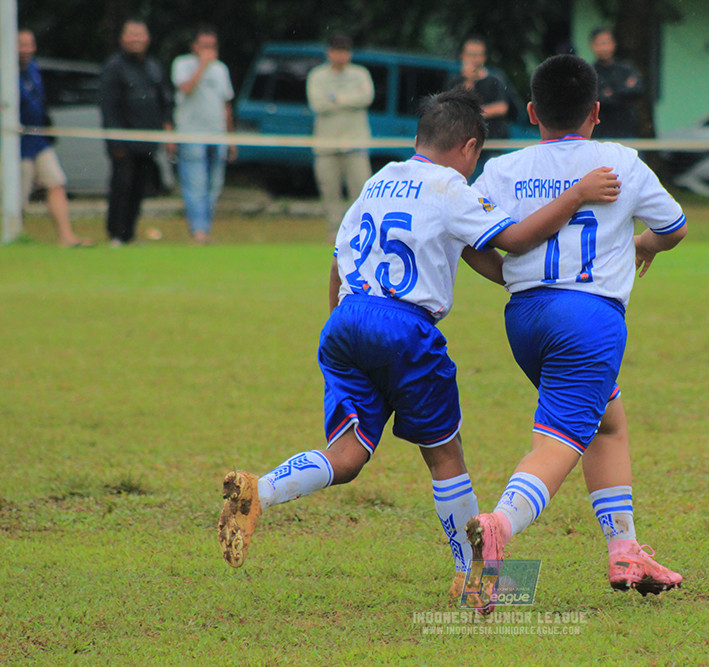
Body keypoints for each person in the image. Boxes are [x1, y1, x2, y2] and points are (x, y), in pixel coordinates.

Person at [216, 88, 622, 598]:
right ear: (470, 149)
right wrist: (577, 195)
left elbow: (338, 263)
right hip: (405, 328)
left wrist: (345, 332)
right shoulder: (452, 187)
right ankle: (474, 575)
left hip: (346, 319)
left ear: (416, 139)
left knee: (346, 454)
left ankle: (260, 490)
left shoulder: (378, 181)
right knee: (445, 457)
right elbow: (513, 240)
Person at [465, 54, 688, 611]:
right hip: (588, 320)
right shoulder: (620, 161)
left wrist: (511, 277)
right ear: (595, 111)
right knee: (557, 444)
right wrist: (644, 244)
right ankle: (498, 528)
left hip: (525, 319)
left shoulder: (504, 168)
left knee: (607, 424)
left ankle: (625, 550)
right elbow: (675, 227)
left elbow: (467, 241)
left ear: (533, 112)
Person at [99, 19, 173, 247]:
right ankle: (116, 235)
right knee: (122, 187)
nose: (136, 39)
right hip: (123, 143)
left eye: (140, 34)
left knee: (139, 189)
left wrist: (167, 130)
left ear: (148, 38)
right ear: (122, 38)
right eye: (131, 34)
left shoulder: (153, 66)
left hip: (148, 142)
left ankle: (129, 234)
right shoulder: (114, 67)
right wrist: (116, 143)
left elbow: (165, 101)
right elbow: (108, 107)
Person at [17, 29, 92, 247]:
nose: (26, 49)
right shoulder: (5, 70)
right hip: (15, 144)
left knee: (56, 183)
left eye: (30, 44)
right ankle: (13, 234)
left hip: (38, 140)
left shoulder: (33, 68)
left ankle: (66, 237)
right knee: (18, 194)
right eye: (21, 44)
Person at [307, 33, 374, 245]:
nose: (341, 56)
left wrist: (337, 98)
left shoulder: (360, 74)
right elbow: (318, 104)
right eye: (337, 51)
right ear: (329, 53)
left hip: (356, 143)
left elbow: (367, 97)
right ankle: (333, 232)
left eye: (345, 51)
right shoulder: (317, 76)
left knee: (361, 189)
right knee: (329, 190)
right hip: (326, 145)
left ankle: (360, 231)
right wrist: (350, 100)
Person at [171, 25, 235, 245]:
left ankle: (205, 229)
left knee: (214, 186)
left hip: (217, 136)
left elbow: (226, 105)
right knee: (195, 184)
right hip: (191, 135)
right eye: (204, 46)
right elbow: (186, 88)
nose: (208, 50)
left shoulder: (221, 69)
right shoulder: (182, 64)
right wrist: (203, 65)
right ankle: (199, 231)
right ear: (194, 47)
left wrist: (231, 138)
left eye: (212, 46)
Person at [447, 37, 512, 142]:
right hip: (464, 139)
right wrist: (469, 81)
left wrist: (473, 114)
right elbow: (453, 108)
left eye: (477, 55)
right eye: (470, 54)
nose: (473, 59)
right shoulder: (454, 81)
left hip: (492, 140)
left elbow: (501, 107)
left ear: (484, 57)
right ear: (462, 56)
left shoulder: (494, 79)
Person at [589, 27, 643, 139]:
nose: (604, 47)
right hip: (600, 134)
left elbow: (638, 90)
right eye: (600, 43)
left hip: (626, 131)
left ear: (614, 44)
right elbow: (594, 98)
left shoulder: (626, 69)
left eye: (607, 43)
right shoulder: (589, 72)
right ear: (592, 45)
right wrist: (623, 89)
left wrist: (611, 92)